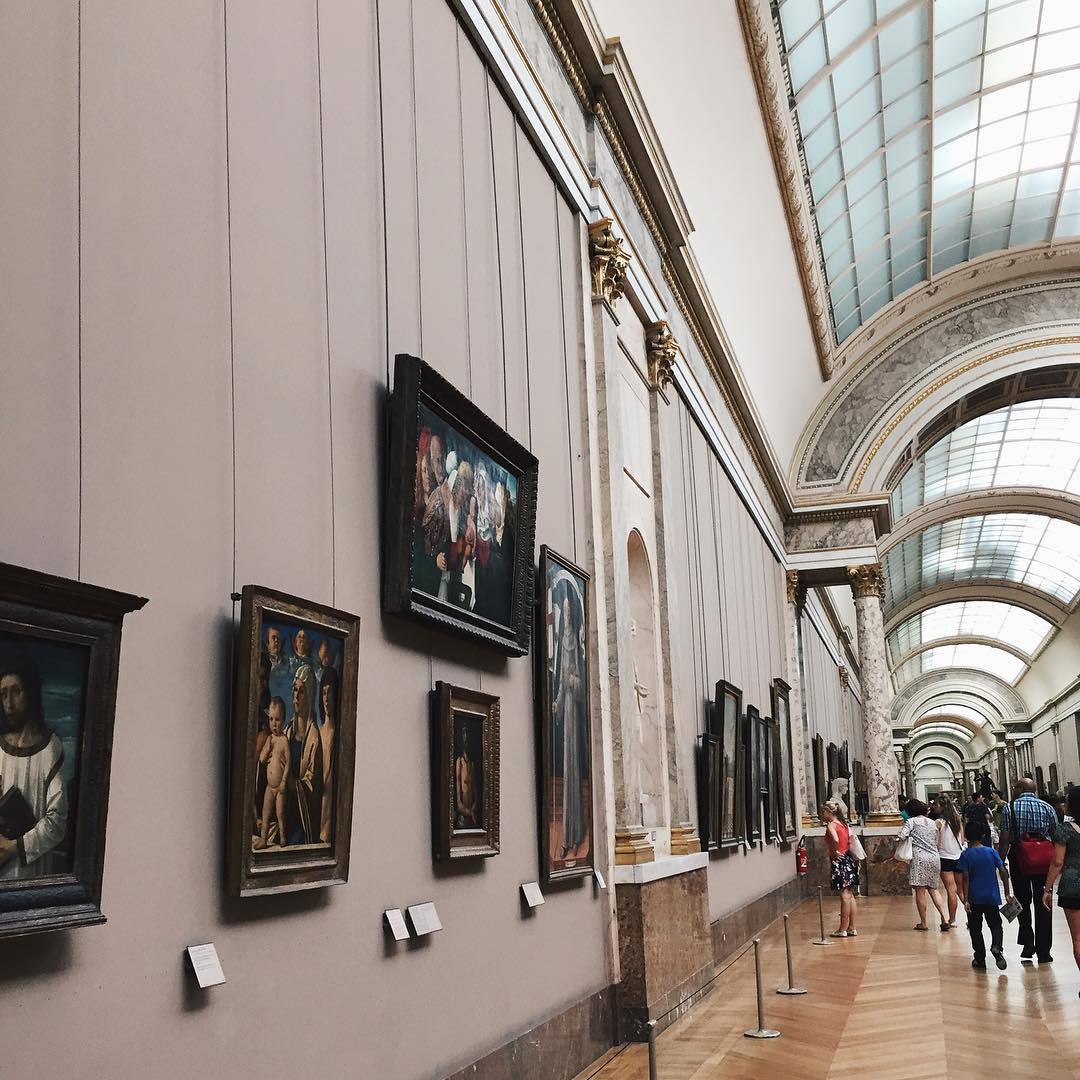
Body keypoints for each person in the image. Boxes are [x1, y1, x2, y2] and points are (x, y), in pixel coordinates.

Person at [0, 659, 69, 880]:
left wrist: (13, 848)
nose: (9, 703)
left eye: (16, 692)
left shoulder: (50, 747)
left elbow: (57, 821)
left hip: (32, 874)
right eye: (3, 694)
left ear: (30, 693)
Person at [999, 777, 1058, 962]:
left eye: (1014, 787)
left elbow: (1005, 838)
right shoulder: (1047, 807)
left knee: (1022, 901)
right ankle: (1044, 951)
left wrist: (1000, 862)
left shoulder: (1010, 808)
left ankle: (1027, 942)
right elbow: (1055, 835)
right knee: (1044, 902)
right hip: (1043, 860)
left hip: (1019, 858)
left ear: (1019, 788)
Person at [552, 585, 587, 861]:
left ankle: (575, 835)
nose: (565, 616)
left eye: (567, 612)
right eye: (562, 612)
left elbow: (579, 685)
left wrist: (573, 685)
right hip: (566, 716)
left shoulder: (576, 643)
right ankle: (567, 837)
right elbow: (563, 683)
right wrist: (556, 701)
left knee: (574, 777)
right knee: (566, 776)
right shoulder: (562, 644)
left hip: (575, 718)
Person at [957, 819, 1012, 970]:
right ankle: (997, 946)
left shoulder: (966, 855)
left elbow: (966, 878)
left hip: (974, 897)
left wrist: (966, 900)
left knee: (975, 929)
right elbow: (1003, 871)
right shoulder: (991, 852)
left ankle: (980, 958)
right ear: (982, 836)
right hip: (991, 897)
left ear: (967, 836)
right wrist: (1007, 892)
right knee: (996, 925)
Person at [1043, 786, 1080, 990]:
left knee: (1078, 938)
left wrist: (1047, 889)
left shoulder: (1064, 830)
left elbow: (1057, 862)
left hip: (1073, 885)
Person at [897, 799, 951, 931]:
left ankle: (923, 922)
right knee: (933, 889)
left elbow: (902, 836)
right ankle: (944, 918)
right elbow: (937, 842)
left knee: (920, 891)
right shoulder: (932, 822)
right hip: (934, 857)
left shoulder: (911, 822)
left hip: (919, 858)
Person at [286, 664, 323, 845]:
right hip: (285, 813)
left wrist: (292, 785)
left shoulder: (314, 737)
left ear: (309, 696)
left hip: (303, 821)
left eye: (301, 691)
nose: (296, 696)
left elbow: (313, 783)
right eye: (295, 690)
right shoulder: (287, 731)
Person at [255, 697, 290, 850]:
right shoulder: (269, 739)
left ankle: (282, 837)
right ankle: (263, 839)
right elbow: (262, 760)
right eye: (271, 719)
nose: (274, 724)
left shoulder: (284, 740)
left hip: (279, 788)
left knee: (280, 814)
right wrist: (267, 748)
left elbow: (288, 763)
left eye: (277, 719)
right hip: (270, 787)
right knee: (265, 813)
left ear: (283, 720)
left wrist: (283, 782)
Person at [821, 802, 858, 937]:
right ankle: (852, 927)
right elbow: (850, 839)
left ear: (829, 812)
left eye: (823, 812)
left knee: (844, 895)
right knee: (850, 895)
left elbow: (835, 839)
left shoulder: (831, 825)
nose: (822, 815)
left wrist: (835, 851)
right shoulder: (844, 824)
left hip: (839, 860)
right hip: (848, 858)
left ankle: (842, 929)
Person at [934, 794, 964, 927]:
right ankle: (972, 915)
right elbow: (962, 840)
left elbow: (937, 842)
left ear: (942, 807)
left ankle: (951, 919)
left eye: (936, 805)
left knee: (951, 890)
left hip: (945, 858)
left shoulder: (939, 823)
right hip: (958, 856)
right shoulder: (957, 821)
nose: (934, 807)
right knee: (961, 890)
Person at [318, 667, 339, 844]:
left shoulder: (337, 733)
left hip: (331, 802)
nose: (326, 698)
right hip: (318, 800)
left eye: (330, 692)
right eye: (324, 693)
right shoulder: (319, 732)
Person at [455, 728, 480, 828]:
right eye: (464, 737)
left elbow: (475, 788)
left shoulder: (471, 764)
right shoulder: (459, 762)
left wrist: (474, 806)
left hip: (472, 811)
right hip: (463, 812)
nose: (466, 741)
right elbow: (458, 801)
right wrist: (467, 811)